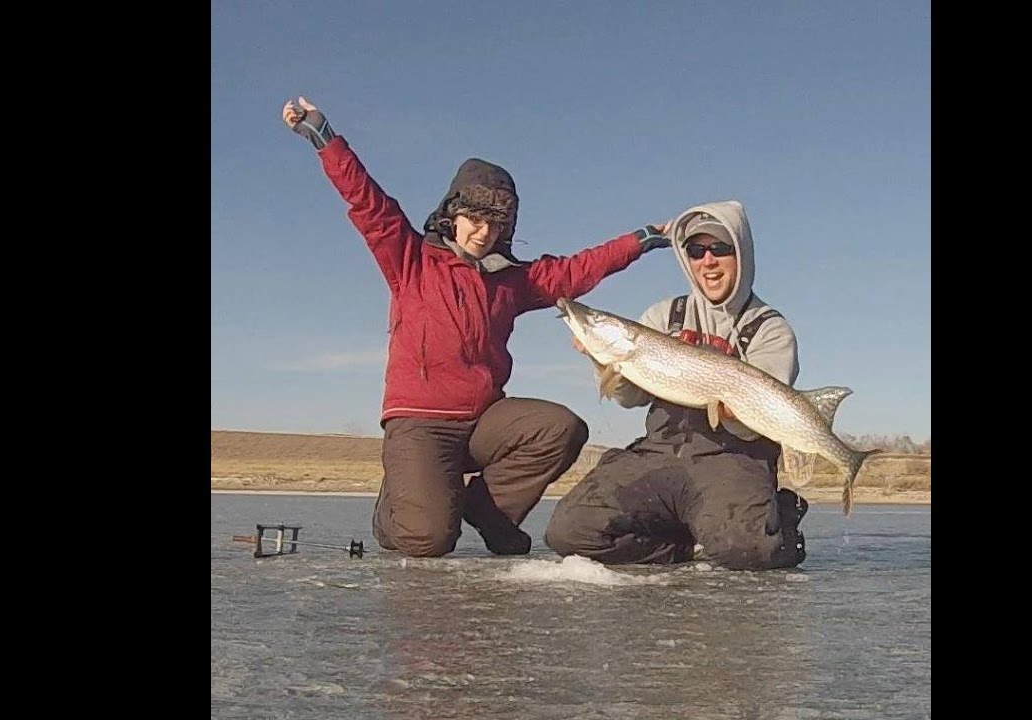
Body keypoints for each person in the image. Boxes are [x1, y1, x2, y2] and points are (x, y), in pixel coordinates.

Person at [281, 96, 672, 558]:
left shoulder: (511, 281)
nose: (484, 232)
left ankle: (489, 511)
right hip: (420, 425)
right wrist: (322, 134)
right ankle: (399, 504)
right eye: (475, 218)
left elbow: (575, 270)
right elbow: (367, 202)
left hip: (484, 420)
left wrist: (643, 239)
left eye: (496, 223)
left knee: (560, 428)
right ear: (453, 214)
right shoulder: (410, 260)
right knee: (427, 539)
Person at [544, 201, 809, 570]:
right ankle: (683, 544)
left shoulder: (770, 329)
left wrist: (734, 408)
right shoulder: (663, 316)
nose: (708, 261)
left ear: (742, 254)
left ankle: (773, 517)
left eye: (720, 248)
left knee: (749, 552)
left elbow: (759, 421)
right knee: (569, 532)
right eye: (696, 251)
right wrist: (601, 358)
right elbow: (628, 398)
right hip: (661, 454)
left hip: (732, 459)